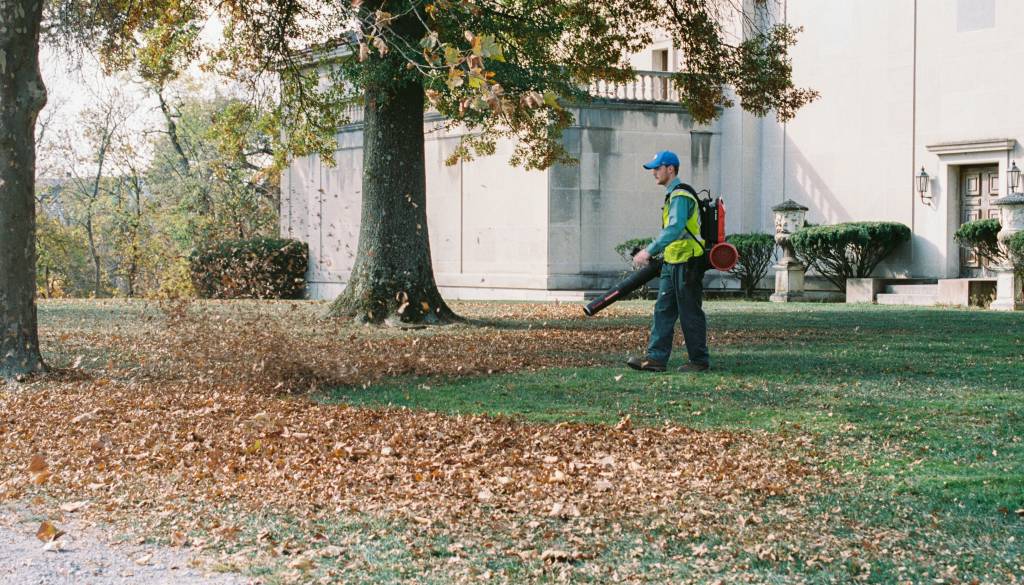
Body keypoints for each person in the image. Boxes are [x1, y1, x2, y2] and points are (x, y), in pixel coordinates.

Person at [626, 150, 710, 373]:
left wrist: (648, 251)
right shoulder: (673, 195)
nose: (654, 172)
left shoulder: (681, 196)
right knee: (663, 310)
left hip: (687, 262)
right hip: (672, 262)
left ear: (670, 169)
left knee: (690, 312)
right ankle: (655, 359)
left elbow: (675, 228)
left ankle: (699, 361)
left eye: (657, 167)